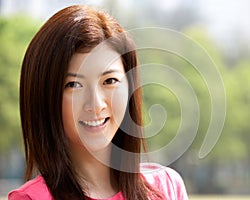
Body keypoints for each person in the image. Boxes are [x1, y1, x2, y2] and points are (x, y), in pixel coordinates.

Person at [8, 4, 188, 200]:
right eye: (74, 84)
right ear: (44, 97)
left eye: (109, 81)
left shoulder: (166, 187)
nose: (95, 104)